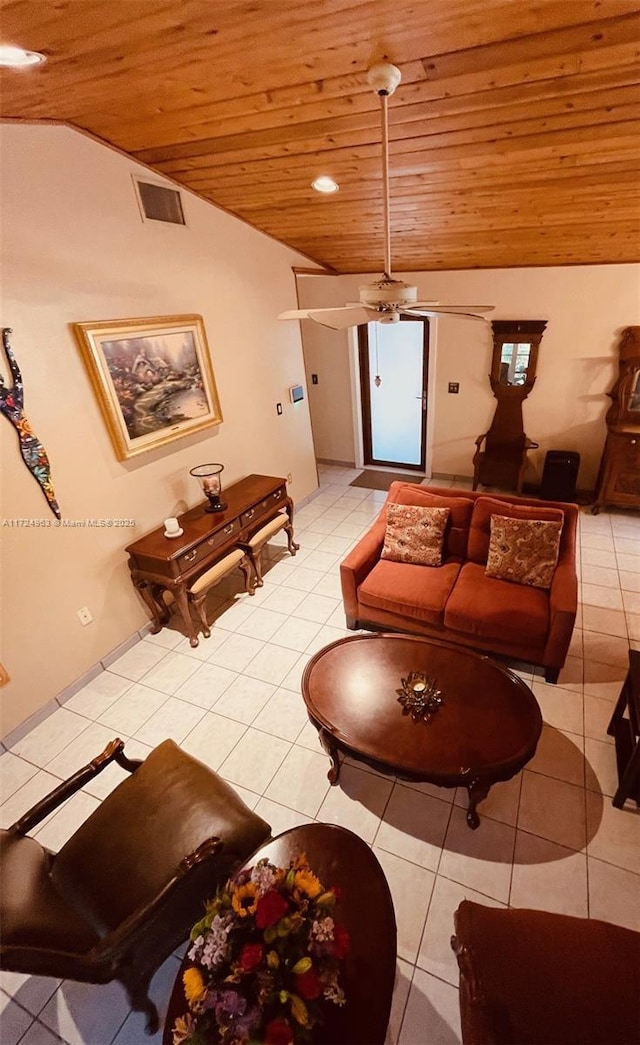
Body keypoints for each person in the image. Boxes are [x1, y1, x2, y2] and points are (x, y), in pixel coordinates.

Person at [0, 327, 61, 519]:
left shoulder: (14, 396)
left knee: (46, 477)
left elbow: (14, 368)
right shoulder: (11, 399)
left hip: (30, 442)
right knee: (44, 478)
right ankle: (54, 503)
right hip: (28, 443)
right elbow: (15, 370)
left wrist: (6, 341)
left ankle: (54, 502)